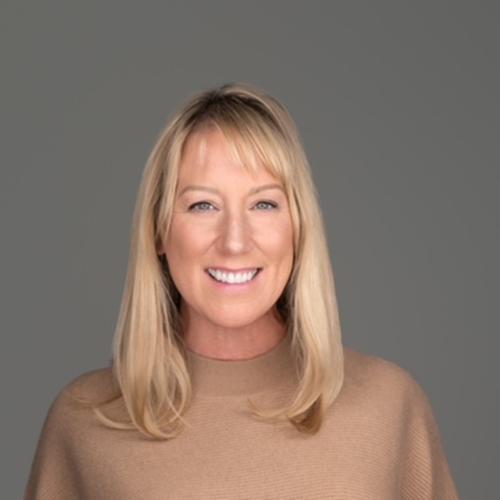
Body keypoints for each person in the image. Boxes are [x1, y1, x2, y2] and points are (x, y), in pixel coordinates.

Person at [24, 82, 460, 499]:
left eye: (264, 204)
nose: (235, 241)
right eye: (203, 205)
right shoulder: (85, 420)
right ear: (158, 230)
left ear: (299, 227)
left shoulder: (389, 405)